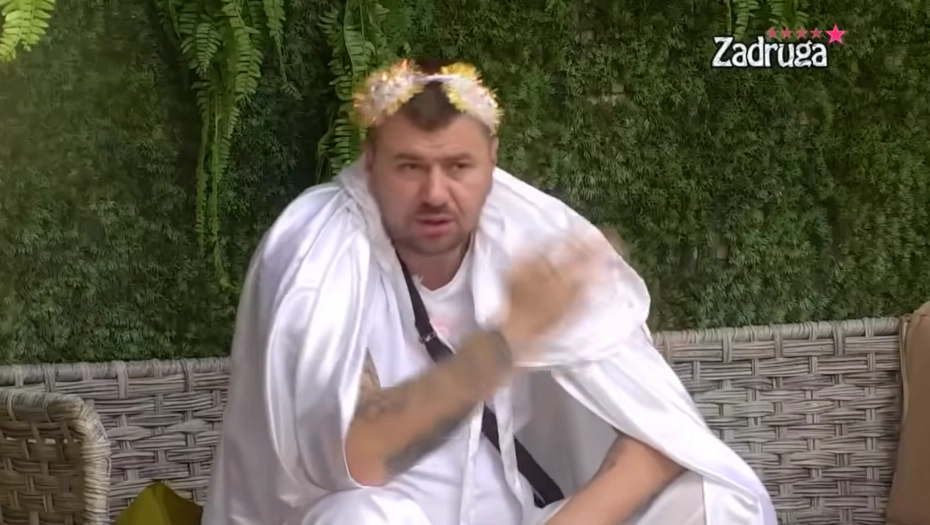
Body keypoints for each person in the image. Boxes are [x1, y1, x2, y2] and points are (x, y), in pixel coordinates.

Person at [201, 58, 776, 525]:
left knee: (715, 501)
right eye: (410, 167)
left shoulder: (532, 236)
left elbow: (661, 440)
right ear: (370, 162)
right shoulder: (319, 253)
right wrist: (504, 344)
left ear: (491, 161)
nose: (435, 193)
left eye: (458, 166)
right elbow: (357, 456)